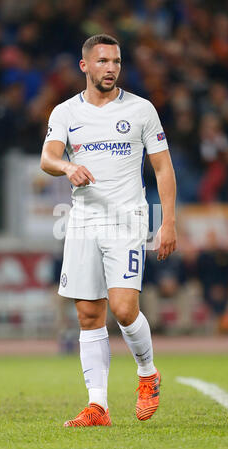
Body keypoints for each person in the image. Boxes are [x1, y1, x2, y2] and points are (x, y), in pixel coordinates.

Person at [40, 34, 177, 427]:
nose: (111, 68)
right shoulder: (66, 112)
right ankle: (97, 406)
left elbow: (163, 168)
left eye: (116, 61)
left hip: (127, 220)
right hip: (83, 220)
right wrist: (68, 166)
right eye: (102, 61)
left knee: (123, 308)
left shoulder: (141, 110)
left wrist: (168, 222)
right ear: (85, 66)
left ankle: (148, 373)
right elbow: (49, 157)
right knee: (87, 313)